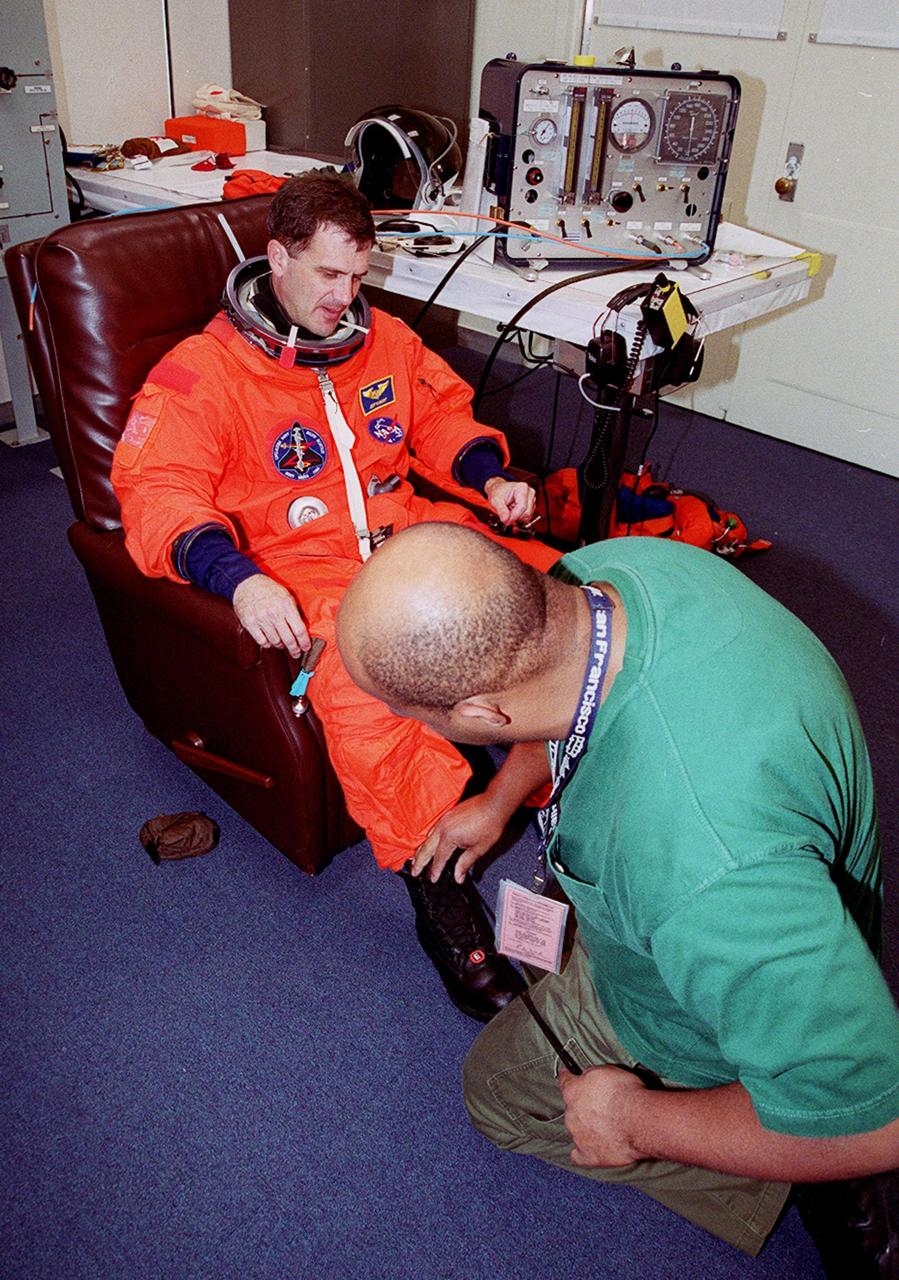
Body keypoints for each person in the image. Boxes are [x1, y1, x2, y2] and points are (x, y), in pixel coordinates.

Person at [336, 522, 899, 1276]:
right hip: (723, 905)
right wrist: (500, 798)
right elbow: (555, 695)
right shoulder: (612, 575)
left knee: (495, 1095)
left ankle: (799, 1157)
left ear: (480, 715)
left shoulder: (699, 864)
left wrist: (632, 1119)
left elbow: (883, 1126)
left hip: (701, 1002)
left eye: (414, 714)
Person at [111, 172, 560, 1023]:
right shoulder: (201, 374)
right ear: (277, 258)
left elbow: (439, 416)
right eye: (327, 274)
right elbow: (156, 492)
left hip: (408, 533)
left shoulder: (382, 340)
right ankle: (445, 907)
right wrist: (239, 579)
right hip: (300, 569)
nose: (344, 297)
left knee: (548, 598)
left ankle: (566, 806)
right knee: (364, 692)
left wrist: (489, 476)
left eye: (358, 276)